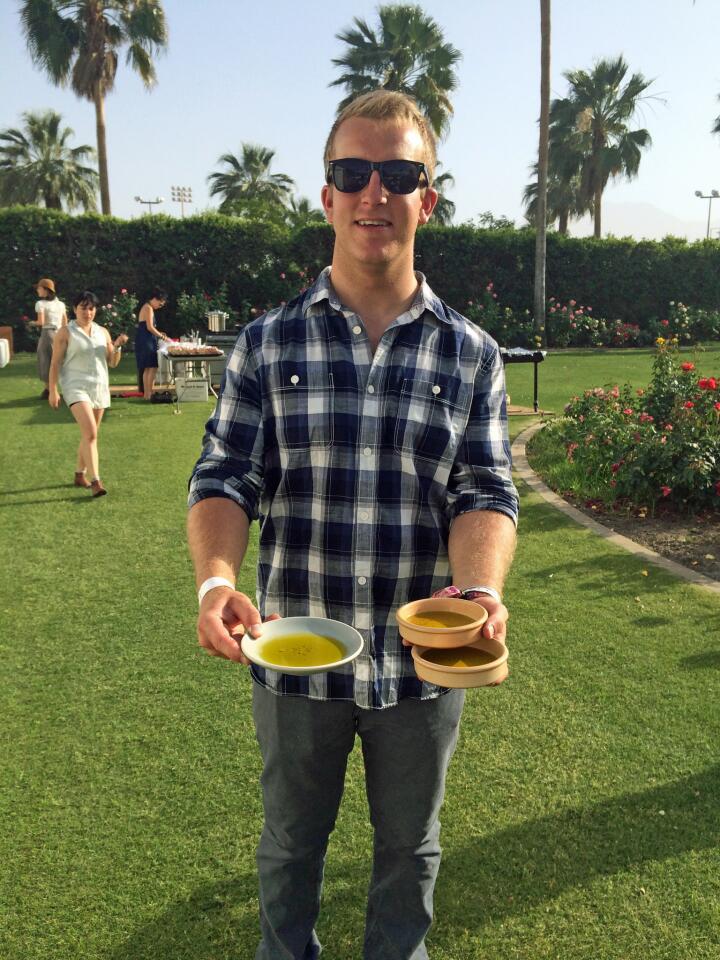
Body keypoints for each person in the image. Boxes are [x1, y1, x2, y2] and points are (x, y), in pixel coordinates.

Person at [187, 90, 519, 960]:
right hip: (297, 654)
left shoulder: (472, 353)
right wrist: (217, 580)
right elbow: (226, 475)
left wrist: (479, 588)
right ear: (328, 195)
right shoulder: (266, 343)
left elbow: (484, 490)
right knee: (291, 849)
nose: (376, 192)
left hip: (423, 661)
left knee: (409, 854)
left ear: (428, 198)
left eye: (400, 173)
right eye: (353, 172)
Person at [48, 290, 128, 497]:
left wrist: (117, 346)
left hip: (99, 387)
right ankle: (96, 482)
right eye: (83, 307)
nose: (88, 312)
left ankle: (79, 474)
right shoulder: (65, 332)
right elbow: (55, 362)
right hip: (75, 386)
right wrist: (53, 389)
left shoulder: (102, 332)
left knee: (89, 435)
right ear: (75, 309)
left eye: (91, 308)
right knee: (91, 433)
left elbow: (112, 362)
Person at [26, 278, 68, 398]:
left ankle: (49, 390)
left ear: (45, 290)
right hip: (60, 333)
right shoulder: (61, 304)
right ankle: (55, 390)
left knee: (46, 360)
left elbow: (41, 322)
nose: (37, 290)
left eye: (39, 288)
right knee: (60, 360)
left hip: (47, 334)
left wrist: (30, 323)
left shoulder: (40, 304)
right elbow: (65, 323)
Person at [134, 287, 169, 399]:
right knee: (151, 367)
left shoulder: (147, 307)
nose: (160, 306)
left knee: (149, 367)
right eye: (160, 304)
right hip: (146, 340)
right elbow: (149, 327)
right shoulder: (148, 308)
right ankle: (148, 394)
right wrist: (162, 336)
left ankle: (148, 393)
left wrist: (159, 333)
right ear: (155, 299)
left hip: (147, 339)